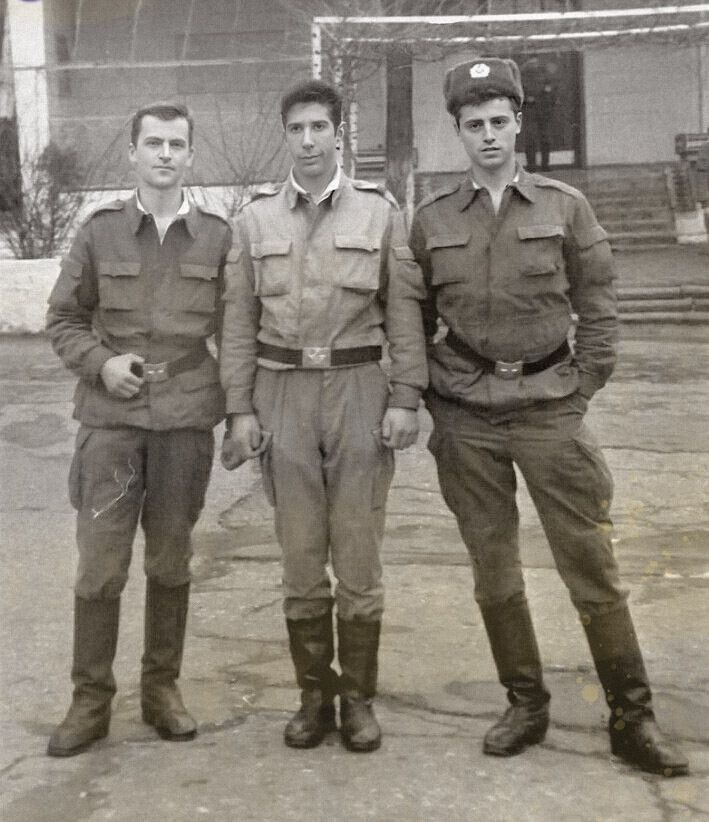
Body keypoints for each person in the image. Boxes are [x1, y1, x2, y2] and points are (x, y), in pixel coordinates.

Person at [408, 58, 688, 776]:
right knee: (493, 567)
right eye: (474, 124)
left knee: (590, 565)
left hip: (548, 410)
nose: (488, 135)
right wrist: (431, 393)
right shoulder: (432, 218)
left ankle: (632, 716)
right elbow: (412, 313)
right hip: (466, 416)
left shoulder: (565, 207)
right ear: (458, 132)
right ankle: (525, 704)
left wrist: (581, 387)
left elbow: (599, 302)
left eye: (499, 121)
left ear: (518, 124)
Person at [220, 79, 427, 753]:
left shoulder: (379, 212)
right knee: (301, 553)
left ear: (338, 133)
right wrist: (239, 408)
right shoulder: (254, 220)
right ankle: (314, 697)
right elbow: (237, 323)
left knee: (358, 552)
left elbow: (403, 312)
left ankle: (357, 700)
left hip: (358, 387)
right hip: (281, 391)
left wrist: (405, 397)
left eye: (318, 128)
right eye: (296, 129)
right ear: (285, 135)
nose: (307, 141)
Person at [45, 102, 231, 756]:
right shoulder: (99, 233)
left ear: (190, 155)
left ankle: (161, 691)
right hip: (112, 425)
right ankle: (90, 701)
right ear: (133, 153)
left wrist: (241, 410)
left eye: (176, 144)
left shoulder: (216, 237)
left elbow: (235, 331)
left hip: (184, 422)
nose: (165, 155)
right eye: (153, 143)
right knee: (100, 566)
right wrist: (101, 363)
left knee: (171, 561)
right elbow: (63, 318)